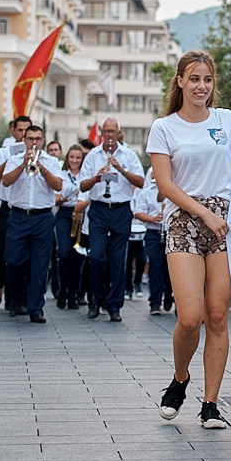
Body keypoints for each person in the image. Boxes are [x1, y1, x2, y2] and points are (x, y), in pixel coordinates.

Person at [146, 49, 231, 428]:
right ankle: (180, 379)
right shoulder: (165, 127)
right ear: (180, 81)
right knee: (190, 318)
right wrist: (203, 212)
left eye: (207, 80)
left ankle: (210, 403)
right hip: (185, 221)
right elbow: (164, 184)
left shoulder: (228, 121)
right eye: (194, 79)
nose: (201, 86)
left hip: (223, 224)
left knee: (218, 315)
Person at [79, 118, 144, 322]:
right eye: (106, 132)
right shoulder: (93, 155)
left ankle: (114, 305)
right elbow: (82, 186)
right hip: (99, 208)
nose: (109, 135)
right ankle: (96, 300)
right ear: (101, 133)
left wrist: (121, 170)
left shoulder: (129, 155)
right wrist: (97, 177)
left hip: (121, 210)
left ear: (118, 133)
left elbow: (141, 182)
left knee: (118, 260)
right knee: (97, 256)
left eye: (112, 132)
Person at [2, 125, 63, 323]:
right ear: (24, 140)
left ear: (43, 140)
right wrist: (23, 164)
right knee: (13, 261)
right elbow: (5, 181)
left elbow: (58, 185)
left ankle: (35, 308)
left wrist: (42, 168)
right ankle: (18, 299)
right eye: (30, 139)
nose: (34, 142)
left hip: (43, 217)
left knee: (40, 265)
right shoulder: (14, 159)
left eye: (37, 138)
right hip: (19, 215)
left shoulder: (52, 161)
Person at [0, 115, 32, 310]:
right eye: (20, 130)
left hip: (27, 208)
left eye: (27, 130)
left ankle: (19, 298)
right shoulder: (5, 152)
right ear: (13, 131)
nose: (23, 134)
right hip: (8, 207)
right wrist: (10, 161)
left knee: (25, 256)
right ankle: (7, 292)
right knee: (7, 255)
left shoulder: (36, 153)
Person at [132, 168, 172, 315]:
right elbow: (138, 212)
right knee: (155, 266)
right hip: (154, 233)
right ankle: (155, 301)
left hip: (171, 232)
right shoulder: (147, 192)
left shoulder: (175, 191)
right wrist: (153, 219)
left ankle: (169, 294)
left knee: (171, 269)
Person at [55, 144, 87, 310]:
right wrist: (76, 189)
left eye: (78, 158)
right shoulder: (61, 173)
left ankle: (73, 294)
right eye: (72, 157)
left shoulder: (86, 174)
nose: (74, 161)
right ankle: (62, 291)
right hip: (65, 215)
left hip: (82, 215)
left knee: (78, 256)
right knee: (64, 253)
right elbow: (59, 195)